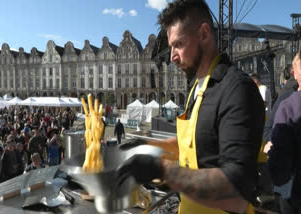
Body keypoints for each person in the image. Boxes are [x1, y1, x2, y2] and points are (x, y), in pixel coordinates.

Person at [117, 1, 265, 213]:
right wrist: (144, 144)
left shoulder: (237, 90)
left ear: (204, 34)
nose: (172, 57)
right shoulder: (197, 85)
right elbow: (193, 143)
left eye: (178, 44)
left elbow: (237, 190)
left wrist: (161, 169)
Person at [267, 52, 301, 213]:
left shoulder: (289, 105)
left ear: (294, 72)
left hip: (293, 191)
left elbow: (279, 165)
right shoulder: (287, 100)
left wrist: (271, 149)